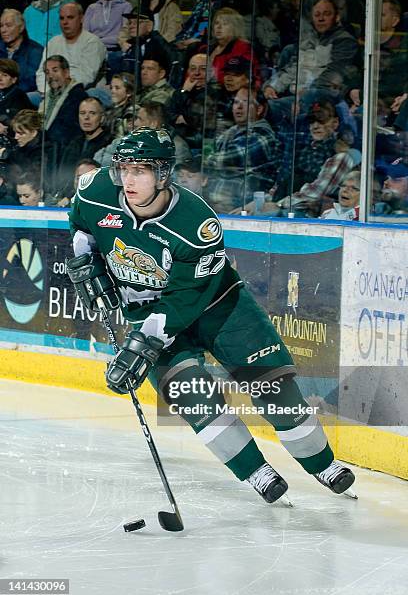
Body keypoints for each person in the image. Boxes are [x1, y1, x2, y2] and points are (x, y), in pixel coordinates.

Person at [66, 126, 356, 506]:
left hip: (218, 306)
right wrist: (83, 253)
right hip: (146, 312)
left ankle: (321, 464)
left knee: (273, 387)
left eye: (140, 170)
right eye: (123, 169)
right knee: (195, 400)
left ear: (164, 173)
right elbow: (80, 221)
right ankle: (256, 471)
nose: (128, 179)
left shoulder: (196, 222)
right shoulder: (95, 190)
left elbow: (187, 294)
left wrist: (146, 340)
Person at [205, 86, 282, 213]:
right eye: (236, 102)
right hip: (220, 202)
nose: (238, 107)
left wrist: (206, 160)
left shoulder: (262, 135)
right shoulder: (230, 133)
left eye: (246, 102)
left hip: (244, 205)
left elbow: (224, 159)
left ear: (259, 109)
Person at [35, 2, 107, 94]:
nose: (65, 22)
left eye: (70, 17)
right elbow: (41, 72)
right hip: (50, 92)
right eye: (62, 18)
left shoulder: (92, 42)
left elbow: (86, 77)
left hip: (83, 93)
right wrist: (47, 91)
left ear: (81, 19)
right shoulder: (53, 42)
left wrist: (59, 89)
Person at [39, 55, 88, 150]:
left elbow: (63, 130)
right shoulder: (49, 96)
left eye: (55, 70)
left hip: (61, 147)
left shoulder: (77, 96)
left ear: (66, 72)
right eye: (47, 72)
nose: (50, 76)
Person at [0, 8, 43, 94]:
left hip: (20, 97)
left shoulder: (35, 51)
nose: (3, 30)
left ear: (21, 27)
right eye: (1, 26)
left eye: (8, 25)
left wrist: (8, 92)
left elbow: (30, 82)